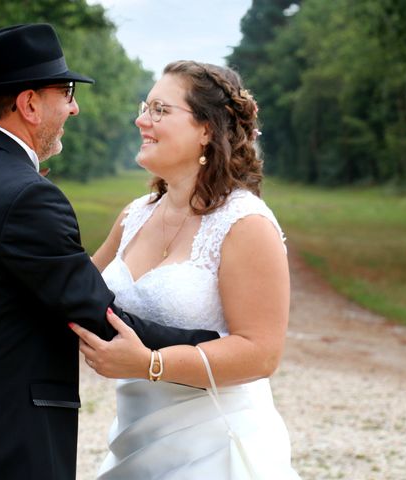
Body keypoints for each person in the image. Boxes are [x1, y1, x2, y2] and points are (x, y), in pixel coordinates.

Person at [0, 25, 220, 480]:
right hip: (4, 446)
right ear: (29, 104)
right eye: (65, 92)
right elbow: (95, 313)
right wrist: (213, 347)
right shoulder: (27, 197)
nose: (74, 107)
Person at [70, 61, 301, 478]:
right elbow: (73, 291)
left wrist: (149, 364)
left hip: (215, 445)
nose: (142, 120)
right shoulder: (134, 216)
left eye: (160, 110)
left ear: (207, 129)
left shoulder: (245, 224)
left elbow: (261, 352)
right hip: (136, 439)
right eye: (146, 106)